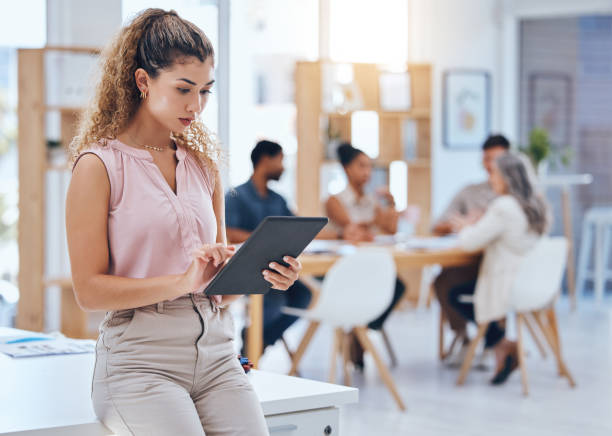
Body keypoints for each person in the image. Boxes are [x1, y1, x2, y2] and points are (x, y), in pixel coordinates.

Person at [65, 9, 302, 436]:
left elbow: (217, 289)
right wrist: (182, 280)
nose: (196, 106)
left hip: (217, 356)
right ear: (143, 82)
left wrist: (262, 274)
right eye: (183, 89)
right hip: (140, 364)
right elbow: (88, 291)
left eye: (206, 91)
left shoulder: (203, 166)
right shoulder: (98, 166)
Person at [449, 152, 549, 384]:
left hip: (506, 285)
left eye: (494, 173)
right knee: (467, 291)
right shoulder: (534, 205)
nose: (490, 178)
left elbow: (469, 242)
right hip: (531, 284)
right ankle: (503, 346)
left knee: (454, 293)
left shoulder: (504, 206)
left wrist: (466, 226)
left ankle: (504, 344)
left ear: (506, 177)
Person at [225, 140, 320, 353]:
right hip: (249, 268)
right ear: (266, 160)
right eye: (280, 160)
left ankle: (259, 340)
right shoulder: (235, 195)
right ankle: (255, 343)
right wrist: (262, 240)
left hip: (277, 266)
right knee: (275, 300)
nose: (283, 167)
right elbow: (228, 231)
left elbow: (295, 226)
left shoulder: (278, 200)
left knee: (303, 295)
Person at [325, 143, 406, 368]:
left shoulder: (372, 200)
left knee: (397, 287)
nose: (367, 172)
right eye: (362, 166)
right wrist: (374, 223)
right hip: (341, 269)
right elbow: (352, 229)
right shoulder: (335, 200)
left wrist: (391, 203)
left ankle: (359, 335)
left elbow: (390, 230)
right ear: (347, 168)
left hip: (367, 266)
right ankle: (358, 337)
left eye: (370, 167)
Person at [432, 134, 510, 362]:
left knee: (489, 284)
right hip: (471, 260)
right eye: (486, 159)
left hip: (501, 268)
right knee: (444, 281)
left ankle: (493, 341)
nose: (491, 166)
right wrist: (465, 224)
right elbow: (438, 224)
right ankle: (464, 338)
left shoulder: (512, 201)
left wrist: (474, 226)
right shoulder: (470, 192)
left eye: (496, 160)